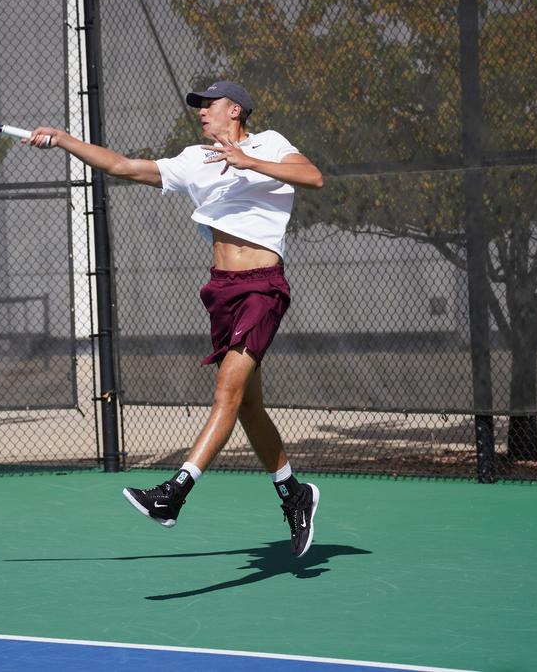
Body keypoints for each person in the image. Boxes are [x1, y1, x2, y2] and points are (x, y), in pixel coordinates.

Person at [25, 80, 324, 557]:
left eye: (210, 105)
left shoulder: (270, 144)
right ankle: (294, 493)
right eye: (199, 107)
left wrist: (251, 162)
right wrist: (63, 139)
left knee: (226, 392)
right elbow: (124, 166)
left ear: (236, 110)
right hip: (221, 293)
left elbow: (312, 176)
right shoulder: (194, 159)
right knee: (247, 406)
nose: (202, 112)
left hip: (263, 287)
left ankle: (174, 493)